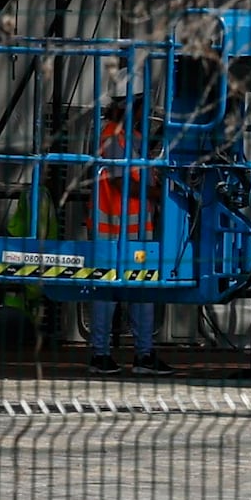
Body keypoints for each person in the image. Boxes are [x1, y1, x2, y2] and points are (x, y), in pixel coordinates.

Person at [83, 93, 161, 370]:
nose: (144, 114)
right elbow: (120, 181)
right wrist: (158, 194)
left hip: (134, 229)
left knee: (140, 289)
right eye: (141, 108)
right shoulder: (113, 136)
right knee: (108, 292)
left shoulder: (132, 138)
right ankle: (101, 354)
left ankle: (143, 354)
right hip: (111, 229)